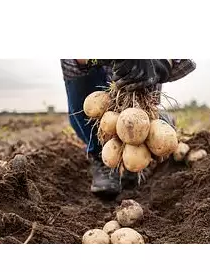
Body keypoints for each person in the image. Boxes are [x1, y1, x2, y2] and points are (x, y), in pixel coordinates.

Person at [61, 59, 196, 195]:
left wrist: (160, 63)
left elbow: (182, 60)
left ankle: (158, 122)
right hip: (105, 94)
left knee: (139, 127)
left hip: (145, 97)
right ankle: (100, 156)